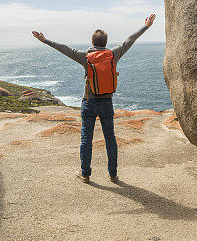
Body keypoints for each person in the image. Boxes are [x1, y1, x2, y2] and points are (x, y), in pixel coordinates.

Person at [32, 14, 156, 183]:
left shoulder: (85, 56)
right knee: (110, 138)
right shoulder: (114, 54)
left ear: (92, 42)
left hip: (89, 102)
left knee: (86, 139)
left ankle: (85, 174)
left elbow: (65, 49)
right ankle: (113, 174)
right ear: (105, 42)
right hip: (106, 102)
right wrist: (146, 26)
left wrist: (45, 41)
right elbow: (129, 40)